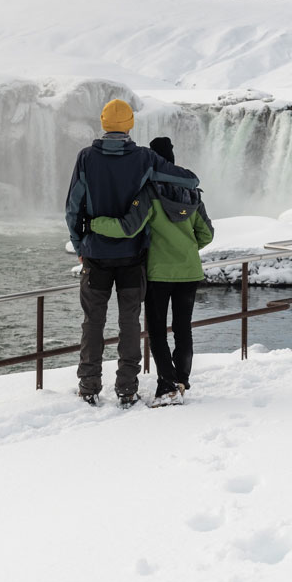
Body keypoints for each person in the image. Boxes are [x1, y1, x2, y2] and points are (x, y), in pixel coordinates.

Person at [65, 99, 198, 407]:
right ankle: (126, 389)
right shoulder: (144, 159)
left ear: (103, 123)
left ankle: (89, 387)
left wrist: (80, 244)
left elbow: (73, 208)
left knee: (92, 322)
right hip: (132, 257)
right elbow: (190, 180)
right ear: (129, 125)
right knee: (130, 323)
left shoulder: (86, 158)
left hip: (95, 256)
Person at [90, 135, 214, 404]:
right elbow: (207, 235)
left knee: (157, 332)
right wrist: (187, 248)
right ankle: (180, 381)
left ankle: (166, 386)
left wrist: (94, 224)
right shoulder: (192, 194)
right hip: (189, 272)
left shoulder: (150, 193)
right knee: (184, 330)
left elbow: (128, 227)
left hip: (159, 273)